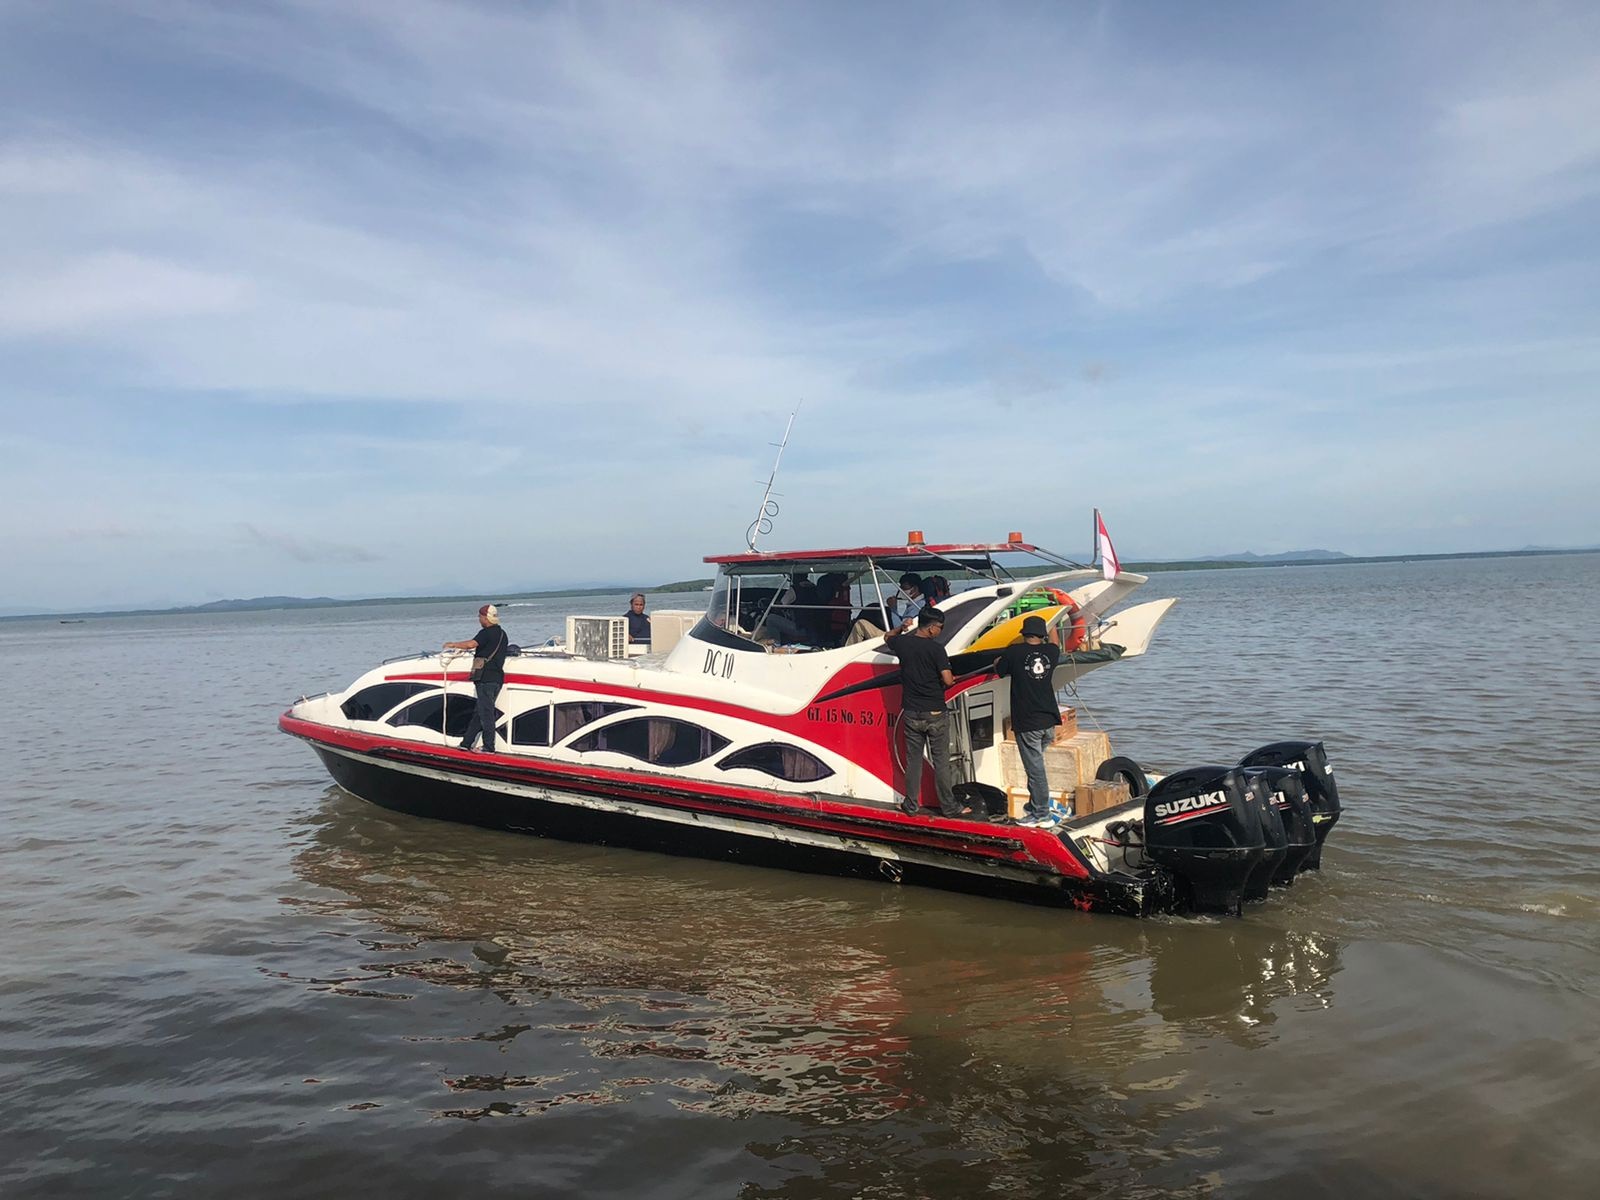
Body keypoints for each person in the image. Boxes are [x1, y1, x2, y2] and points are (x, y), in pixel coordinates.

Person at [884, 607, 980, 819]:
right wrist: (952, 678)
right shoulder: (937, 650)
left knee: (914, 761)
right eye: (940, 628)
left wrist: (901, 627)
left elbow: (887, 636)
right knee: (941, 761)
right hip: (935, 712)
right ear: (931, 628)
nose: (941, 631)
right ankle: (950, 807)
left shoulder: (902, 643)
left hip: (911, 712)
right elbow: (947, 680)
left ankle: (910, 805)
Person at [993, 614, 1063, 825]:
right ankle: (1034, 806)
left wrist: (998, 661)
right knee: (1036, 767)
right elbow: (1055, 641)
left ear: (1024, 634)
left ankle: (1042, 814)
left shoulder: (1015, 652)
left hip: (1028, 721)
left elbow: (1000, 670)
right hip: (1049, 720)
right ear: (1042, 634)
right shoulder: (1051, 651)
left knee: (1035, 770)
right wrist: (1053, 621)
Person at [444, 603, 509, 753]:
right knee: (480, 711)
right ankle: (466, 743)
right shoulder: (502, 633)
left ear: (486, 618)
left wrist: (453, 644)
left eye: (480, 616)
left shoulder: (485, 633)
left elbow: (471, 644)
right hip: (497, 678)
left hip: (485, 677)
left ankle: (489, 747)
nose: (479, 619)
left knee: (486, 713)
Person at [844, 572, 926, 645]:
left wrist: (893, 608)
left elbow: (899, 628)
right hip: (903, 637)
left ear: (914, 589)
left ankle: (846, 652)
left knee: (860, 624)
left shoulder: (917, 606)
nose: (901, 591)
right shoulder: (918, 603)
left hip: (899, 639)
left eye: (904, 588)